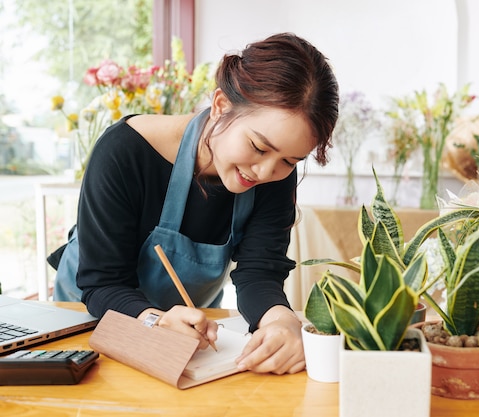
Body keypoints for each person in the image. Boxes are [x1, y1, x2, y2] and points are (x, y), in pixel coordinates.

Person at [52, 32, 339, 375]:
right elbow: (103, 284)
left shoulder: (275, 170)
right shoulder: (124, 152)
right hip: (87, 324)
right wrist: (155, 322)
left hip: (186, 342)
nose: (266, 171)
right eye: (258, 147)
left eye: (291, 160)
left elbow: (259, 272)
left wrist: (281, 322)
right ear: (220, 106)